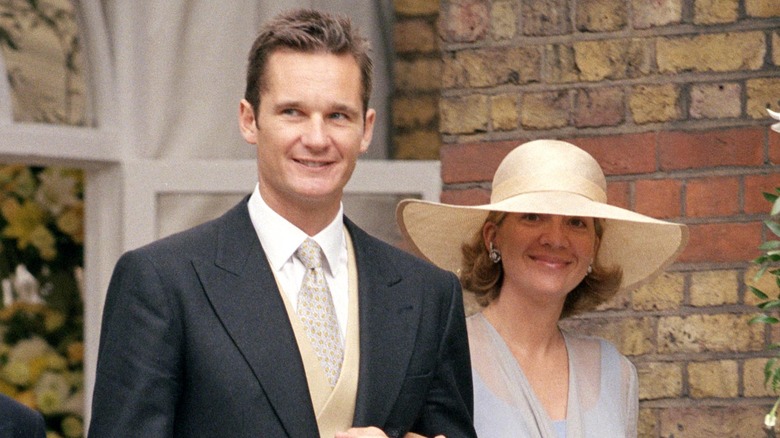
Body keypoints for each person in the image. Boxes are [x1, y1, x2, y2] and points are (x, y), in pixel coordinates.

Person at [89, 8, 475, 438]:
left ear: (366, 130)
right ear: (249, 120)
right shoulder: (163, 282)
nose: (316, 138)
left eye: (338, 116)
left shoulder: (428, 294)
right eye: (292, 112)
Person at [397, 139, 689, 437]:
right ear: (492, 237)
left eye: (576, 222)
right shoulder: (441, 359)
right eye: (533, 216)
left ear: (594, 247)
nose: (555, 239)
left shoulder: (616, 373)